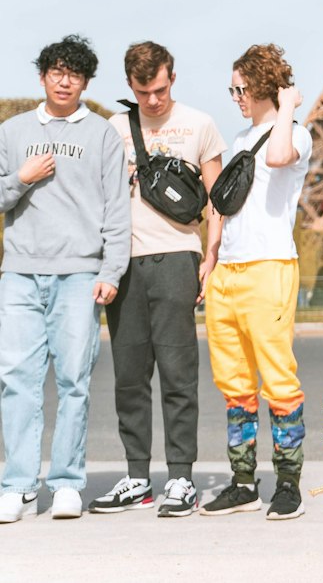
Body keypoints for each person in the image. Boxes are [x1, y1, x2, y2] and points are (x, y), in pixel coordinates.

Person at [89, 41, 226, 517]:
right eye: (144, 91)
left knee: (177, 374)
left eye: (161, 89)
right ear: (130, 86)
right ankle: (136, 477)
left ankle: (182, 479)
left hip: (176, 258)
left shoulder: (200, 124)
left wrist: (211, 257)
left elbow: (218, 200)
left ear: (173, 77)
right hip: (123, 263)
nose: (153, 100)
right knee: (128, 377)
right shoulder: (111, 129)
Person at [0, 35, 130, 523]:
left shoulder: (100, 135)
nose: (64, 80)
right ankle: (17, 485)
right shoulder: (11, 131)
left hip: (79, 274)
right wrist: (23, 177)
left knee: (75, 381)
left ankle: (68, 482)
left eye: (74, 74)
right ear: (42, 76)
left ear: (85, 82)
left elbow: (117, 209)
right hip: (19, 274)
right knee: (17, 382)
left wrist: (111, 270)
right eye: (56, 71)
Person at [202, 44, 312, 521]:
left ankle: (288, 485)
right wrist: (210, 258)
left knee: (279, 382)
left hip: (270, 268)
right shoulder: (240, 136)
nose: (235, 97)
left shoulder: (295, 133)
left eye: (242, 89)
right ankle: (243, 482)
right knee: (235, 385)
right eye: (232, 89)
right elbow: (221, 204)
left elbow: (280, 156)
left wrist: (287, 106)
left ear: (266, 87)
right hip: (227, 270)